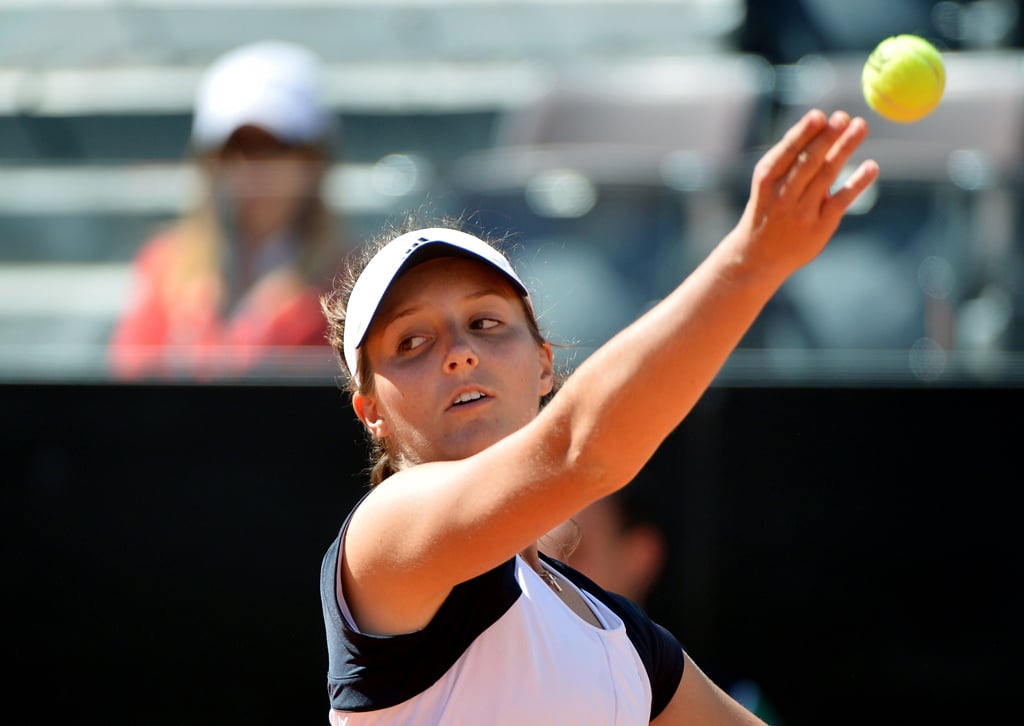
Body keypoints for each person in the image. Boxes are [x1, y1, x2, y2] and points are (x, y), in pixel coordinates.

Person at [318, 108, 879, 723]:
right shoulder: (386, 536)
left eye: (484, 323)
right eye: (412, 343)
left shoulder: (621, 640)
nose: (460, 353)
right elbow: (581, 452)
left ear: (542, 366)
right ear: (370, 411)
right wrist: (751, 262)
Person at [109, 40, 350, 379]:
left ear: (314, 159)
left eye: (275, 147)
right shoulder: (163, 266)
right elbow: (130, 380)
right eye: (234, 148)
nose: (253, 168)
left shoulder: (350, 282)